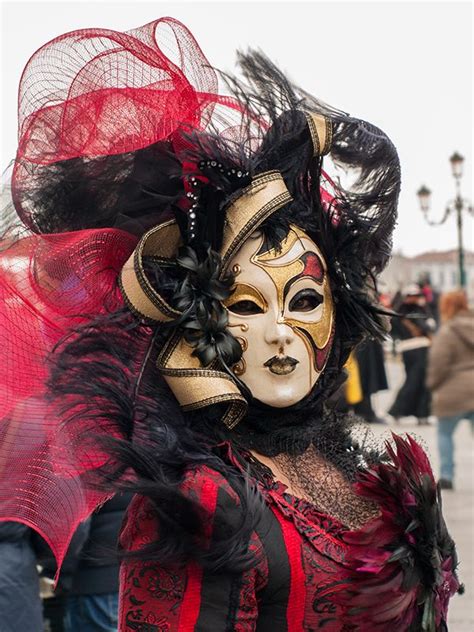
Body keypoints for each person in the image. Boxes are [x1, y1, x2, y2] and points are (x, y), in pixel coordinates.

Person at [0, 17, 461, 630]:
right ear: (198, 320)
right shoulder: (203, 498)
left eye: (302, 302)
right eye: (245, 306)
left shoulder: (357, 469)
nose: (278, 333)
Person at [427, 290, 474, 490]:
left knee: (445, 433)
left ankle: (447, 475)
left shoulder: (447, 331)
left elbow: (439, 363)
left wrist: (433, 384)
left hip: (454, 392)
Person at [388, 284, 434, 424]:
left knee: (416, 381)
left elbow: (392, 330)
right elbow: (427, 327)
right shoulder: (416, 310)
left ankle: (416, 414)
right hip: (418, 348)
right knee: (416, 381)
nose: (416, 298)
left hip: (409, 349)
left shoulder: (398, 312)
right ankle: (407, 412)